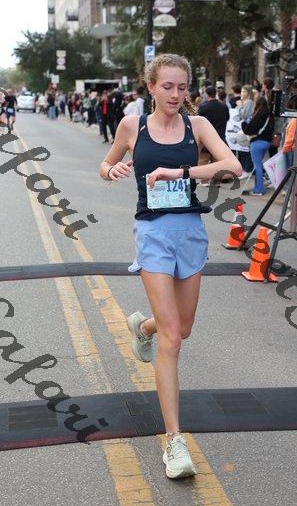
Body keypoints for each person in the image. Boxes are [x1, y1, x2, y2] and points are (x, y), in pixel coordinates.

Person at [99, 53, 242, 480]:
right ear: (151, 86)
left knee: (182, 327)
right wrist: (113, 169)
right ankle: (174, 441)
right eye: (167, 86)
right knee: (173, 338)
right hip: (153, 234)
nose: (176, 94)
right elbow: (105, 164)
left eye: (182, 87)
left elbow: (233, 167)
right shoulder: (132, 126)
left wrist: (180, 171)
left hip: (190, 233)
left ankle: (142, 327)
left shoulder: (198, 126)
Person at [197, 86, 230, 185]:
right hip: (220, 137)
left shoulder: (203, 107)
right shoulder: (224, 106)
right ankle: (216, 181)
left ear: (207, 94)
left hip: (205, 138)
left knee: (203, 160)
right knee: (217, 161)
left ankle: (204, 180)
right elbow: (227, 118)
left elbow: (198, 120)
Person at [241, 97, 274, 195]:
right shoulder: (270, 116)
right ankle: (258, 186)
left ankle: (259, 189)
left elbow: (249, 130)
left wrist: (243, 124)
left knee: (257, 166)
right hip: (267, 142)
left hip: (257, 142)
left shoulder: (258, 115)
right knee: (259, 165)